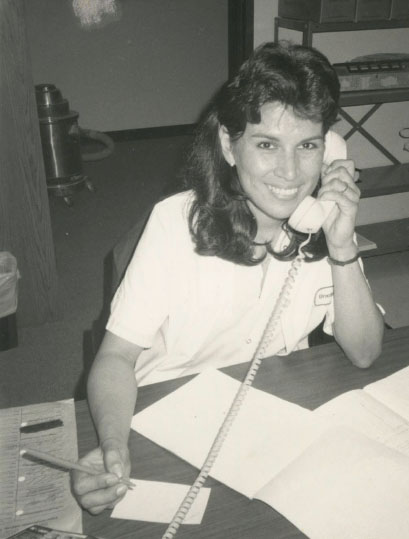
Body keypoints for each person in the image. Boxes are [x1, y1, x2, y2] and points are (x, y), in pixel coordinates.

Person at [72, 41, 384, 514]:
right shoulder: (175, 225)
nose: (290, 171)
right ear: (228, 145)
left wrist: (341, 244)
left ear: (330, 150)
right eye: (266, 144)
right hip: (168, 422)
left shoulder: (320, 224)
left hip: (271, 420)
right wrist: (114, 445)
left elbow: (364, 353)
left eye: (308, 146)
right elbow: (116, 355)